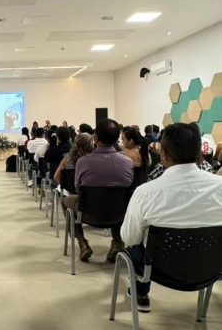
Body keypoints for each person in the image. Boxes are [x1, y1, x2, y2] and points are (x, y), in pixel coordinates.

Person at [121, 123, 222, 313]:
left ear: (164, 154)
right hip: (212, 268)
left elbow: (129, 238)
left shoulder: (145, 193)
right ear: (199, 153)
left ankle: (141, 292)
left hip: (159, 271)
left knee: (134, 244)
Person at [62, 119, 134, 263]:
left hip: (88, 214)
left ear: (95, 138)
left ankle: (82, 243)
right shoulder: (127, 162)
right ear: (117, 138)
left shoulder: (83, 162)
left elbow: (78, 189)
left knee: (65, 202)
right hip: (118, 215)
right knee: (119, 200)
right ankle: (117, 242)